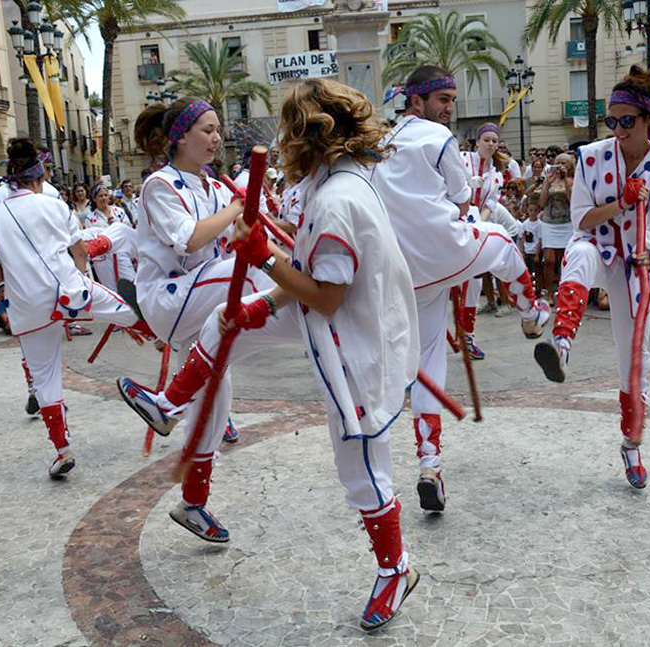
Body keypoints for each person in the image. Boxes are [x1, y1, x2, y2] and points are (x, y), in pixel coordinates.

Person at [120, 78, 420, 630]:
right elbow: (306, 272)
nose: (280, 144)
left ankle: (395, 568)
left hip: (354, 341)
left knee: (361, 467)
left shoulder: (336, 199)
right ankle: (170, 404)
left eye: (287, 133)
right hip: (332, 325)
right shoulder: (340, 182)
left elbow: (327, 296)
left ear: (308, 137)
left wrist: (262, 258)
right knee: (222, 319)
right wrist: (261, 305)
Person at [369, 65, 550, 511]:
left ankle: (430, 464)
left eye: (451, 99)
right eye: (443, 100)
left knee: (428, 361)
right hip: (442, 249)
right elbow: (462, 199)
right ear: (417, 102)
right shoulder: (439, 139)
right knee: (505, 244)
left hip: (401, 269)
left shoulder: (379, 145)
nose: (450, 108)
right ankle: (531, 313)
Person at [533, 66, 650, 489]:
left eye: (627, 121)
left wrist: (646, 260)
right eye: (611, 121)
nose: (617, 129)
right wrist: (620, 203)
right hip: (598, 247)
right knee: (577, 255)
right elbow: (581, 217)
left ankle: (632, 445)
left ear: (647, 119)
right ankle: (560, 345)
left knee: (635, 361)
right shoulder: (592, 156)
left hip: (637, 262)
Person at [0, 138, 150, 478]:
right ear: (39, 177)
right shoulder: (54, 205)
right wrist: (84, 276)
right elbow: (80, 252)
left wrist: (6, 302)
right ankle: (164, 342)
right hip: (72, 292)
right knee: (128, 311)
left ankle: (62, 449)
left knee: (44, 377)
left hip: (28, 307)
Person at [116, 97, 274, 448]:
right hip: (169, 298)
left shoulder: (216, 186)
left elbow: (240, 234)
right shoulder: (160, 185)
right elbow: (189, 239)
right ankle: (309, 324)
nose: (217, 138)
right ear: (182, 137)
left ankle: (192, 498)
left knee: (214, 397)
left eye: (218, 130)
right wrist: (238, 206)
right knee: (249, 271)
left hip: (202, 294)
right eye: (208, 130)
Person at [459, 122, 507, 359]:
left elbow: (490, 206)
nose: (490, 144)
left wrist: (479, 224)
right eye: (486, 139)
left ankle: (468, 336)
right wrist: (468, 188)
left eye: (494, 141)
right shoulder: (461, 159)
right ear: (477, 141)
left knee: (474, 282)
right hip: (453, 221)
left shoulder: (497, 175)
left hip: (475, 226)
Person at [538, 153, 575, 300]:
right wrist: (547, 183)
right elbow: (541, 203)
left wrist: (566, 181)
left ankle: (565, 291)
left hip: (567, 223)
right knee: (549, 259)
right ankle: (549, 292)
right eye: (558, 162)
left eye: (564, 163)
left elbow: (572, 201)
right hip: (549, 222)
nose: (560, 165)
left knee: (565, 260)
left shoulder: (573, 180)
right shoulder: (550, 179)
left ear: (570, 166)